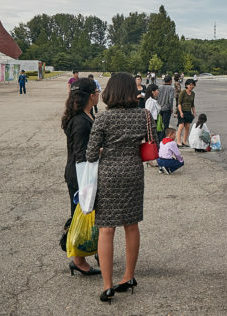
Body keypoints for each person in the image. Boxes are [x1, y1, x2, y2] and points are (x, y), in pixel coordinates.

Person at [85, 72, 148, 303]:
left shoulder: (103, 118)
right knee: (131, 225)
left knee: (106, 229)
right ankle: (129, 276)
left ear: (111, 91)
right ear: (132, 90)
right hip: (133, 172)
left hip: (109, 175)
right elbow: (150, 144)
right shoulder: (144, 115)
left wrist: (104, 151)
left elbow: (91, 153)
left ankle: (108, 285)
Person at [61, 77, 101, 276]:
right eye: (97, 92)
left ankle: (86, 253)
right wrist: (100, 151)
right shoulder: (80, 122)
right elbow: (81, 153)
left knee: (84, 214)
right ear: (91, 96)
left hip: (80, 172)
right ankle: (78, 260)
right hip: (80, 175)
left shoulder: (83, 115)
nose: (99, 95)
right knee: (79, 215)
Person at [176, 79, 196, 147]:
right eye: (190, 85)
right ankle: (178, 142)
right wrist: (180, 112)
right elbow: (179, 103)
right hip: (182, 111)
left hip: (188, 112)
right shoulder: (183, 92)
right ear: (186, 85)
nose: (191, 86)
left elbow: (192, 104)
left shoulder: (193, 94)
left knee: (187, 127)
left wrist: (194, 112)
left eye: (193, 85)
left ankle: (184, 141)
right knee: (181, 126)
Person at [157, 75, 176, 140]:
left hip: (159, 108)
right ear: (170, 81)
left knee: (159, 123)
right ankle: (163, 138)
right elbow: (170, 99)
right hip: (166, 108)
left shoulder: (159, 87)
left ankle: (159, 137)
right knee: (165, 125)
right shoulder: (171, 88)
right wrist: (171, 108)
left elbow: (157, 97)